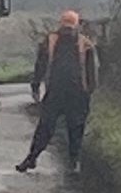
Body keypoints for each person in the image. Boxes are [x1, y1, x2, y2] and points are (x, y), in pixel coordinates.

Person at [16, 10, 99, 174]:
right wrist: (90, 91)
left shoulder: (53, 41)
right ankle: (69, 162)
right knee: (70, 129)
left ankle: (35, 159)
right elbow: (92, 72)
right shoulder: (84, 43)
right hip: (71, 93)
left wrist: (35, 85)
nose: (68, 30)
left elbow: (40, 65)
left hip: (63, 92)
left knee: (49, 128)